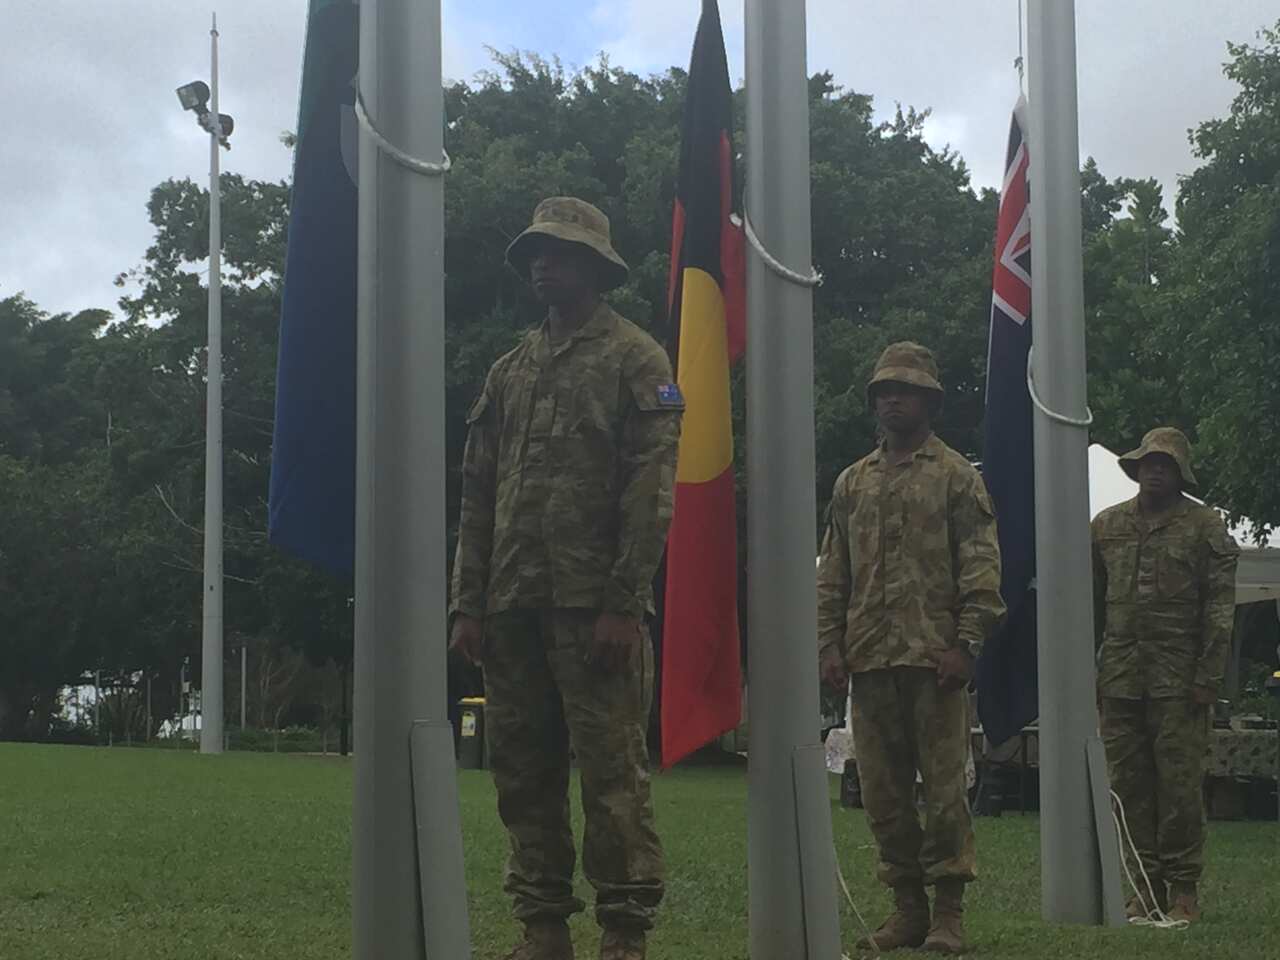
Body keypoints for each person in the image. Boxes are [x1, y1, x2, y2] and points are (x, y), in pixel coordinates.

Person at [449, 197, 682, 960]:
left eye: (559, 251)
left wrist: (624, 602)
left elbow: (650, 491)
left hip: (594, 612)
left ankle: (623, 931)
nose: (543, 263)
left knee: (613, 777)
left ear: (594, 264)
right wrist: (467, 603)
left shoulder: (635, 358)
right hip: (512, 606)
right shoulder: (508, 371)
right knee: (522, 773)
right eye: (535, 253)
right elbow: (478, 494)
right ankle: (542, 926)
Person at [817, 342, 1005, 955]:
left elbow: (980, 568)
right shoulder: (852, 483)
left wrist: (967, 643)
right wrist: (829, 645)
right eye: (882, 391)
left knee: (945, 792)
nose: (891, 399)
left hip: (935, 662)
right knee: (883, 796)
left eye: (904, 389)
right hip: (869, 659)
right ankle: (907, 910)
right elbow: (832, 573)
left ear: (930, 401)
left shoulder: (956, 476)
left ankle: (949, 912)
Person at [1093, 427, 1238, 923]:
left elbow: (1219, 609)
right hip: (1119, 680)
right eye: (1148, 463)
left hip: (1180, 683)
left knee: (1178, 788)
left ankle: (1183, 889)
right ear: (1135, 469)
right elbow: (1089, 605)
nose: (1154, 470)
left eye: (1165, 464)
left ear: (1180, 472)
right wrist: (1088, 675)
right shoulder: (1106, 527)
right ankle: (1142, 885)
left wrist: (1208, 677)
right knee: (1127, 786)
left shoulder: (1204, 527)